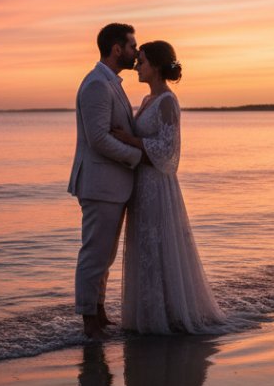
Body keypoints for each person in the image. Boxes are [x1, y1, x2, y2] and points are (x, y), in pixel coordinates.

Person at [111, 41, 228, 334]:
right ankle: (150, 313)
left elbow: (168, 150)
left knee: (159, 244)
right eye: (138, 60)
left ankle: (169, 316)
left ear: (157, 66)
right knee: (146, 247)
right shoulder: (148, 100)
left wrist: (129, 140)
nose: (137, 66)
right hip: (142, 185)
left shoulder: (167, 101)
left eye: (142, 61)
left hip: (158, 185)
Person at [68, 23, 142, 339]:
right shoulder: (97, 84)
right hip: (100, 183)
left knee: (105, 256)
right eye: (131, 46)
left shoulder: (110, 82)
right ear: (116, 49)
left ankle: (99, 313)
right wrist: (135, 156)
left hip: (112, 185)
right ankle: (88, 322)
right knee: (94, 254)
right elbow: (98, 138)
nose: (136, 52)